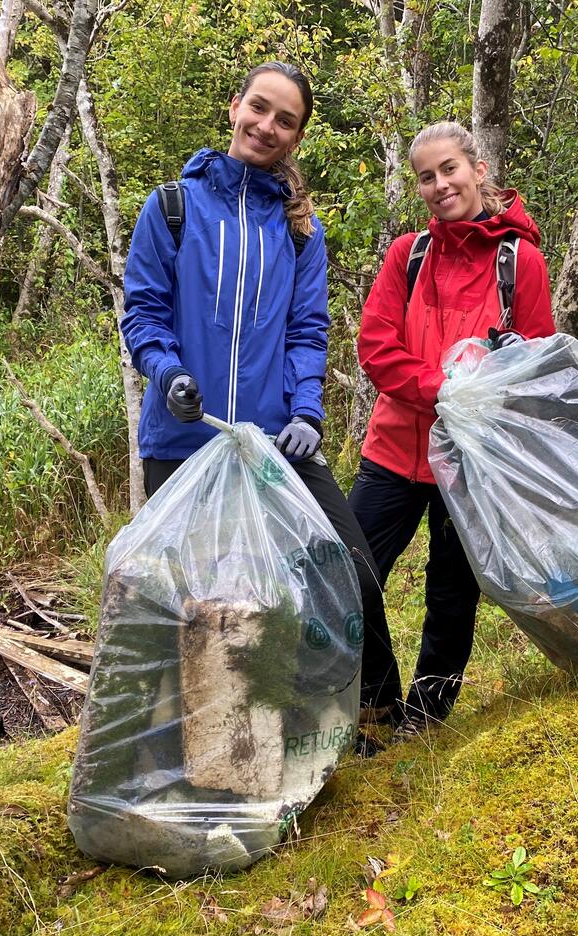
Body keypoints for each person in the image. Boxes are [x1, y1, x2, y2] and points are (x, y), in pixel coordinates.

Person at [120, 61, 390, 723]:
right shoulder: (172, 207)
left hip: (276, 447)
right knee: (208, 605)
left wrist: (307, 410)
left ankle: (373, 718)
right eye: (259, 108)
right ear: (235, 105)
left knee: (350, 572)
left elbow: (307, 330)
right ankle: (193, 743)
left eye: (285, 120)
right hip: (184, 442)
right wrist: (168, 372)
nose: (266, 126)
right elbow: (144, 314)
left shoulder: (301, 231)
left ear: (296, 138)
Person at [350, 121, 556, 743]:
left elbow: (534, 368)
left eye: (450, 170)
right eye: (426, 176)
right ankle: (377, 698)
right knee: (348, 573)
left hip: (470, 461)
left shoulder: (519, 261)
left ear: (478, 169)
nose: (440, 185)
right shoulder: (408, 256)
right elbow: (375, 348)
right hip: (393, 449)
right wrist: (443, 390)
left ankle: (427, 716)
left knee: (451, 591)